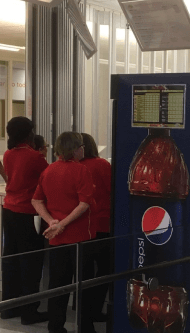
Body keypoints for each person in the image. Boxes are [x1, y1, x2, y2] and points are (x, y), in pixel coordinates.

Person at [32, 132, 97, 333]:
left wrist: (52, 221)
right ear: (75, 149)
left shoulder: (49, 170)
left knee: (58, 285)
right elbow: (84, 203)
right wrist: (63, 224)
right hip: (79, 236)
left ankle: (56, 326)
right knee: (83, 284)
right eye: (81, 147)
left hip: (56, 238)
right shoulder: (81, 170)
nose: (83, 150)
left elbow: (36, 200)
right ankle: (85, 326)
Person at [0, 117, 49, 324]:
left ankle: (8, 308)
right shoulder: (34, 157)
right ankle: (30, 311)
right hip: (28, 213)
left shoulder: (9, 154)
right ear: (29, 133)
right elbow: (49, 179)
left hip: (9, 210)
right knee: (30, 262)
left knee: (10, 260)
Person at [80, 133, 111, 322]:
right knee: (105, 269)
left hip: (81, 226)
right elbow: (113, 189)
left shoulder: (74, 167)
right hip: (103, 223)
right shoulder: (102, 165)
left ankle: (84, 313)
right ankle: (94, 309)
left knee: (84, 272)